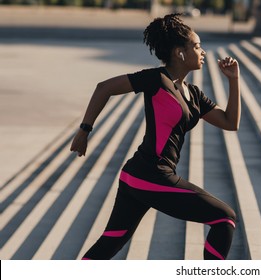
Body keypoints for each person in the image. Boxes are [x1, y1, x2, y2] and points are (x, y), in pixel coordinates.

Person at [70, 14, 240, 260]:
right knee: (225, 217)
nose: (203, 51)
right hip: (151, 175)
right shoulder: (156, 80)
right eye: (197, 46)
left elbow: (229, 122)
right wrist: (84, 131)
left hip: (140, 176)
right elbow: (104, 88)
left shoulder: (192, 93)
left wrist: (234, 81)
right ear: (180, 53)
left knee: (109, 244)